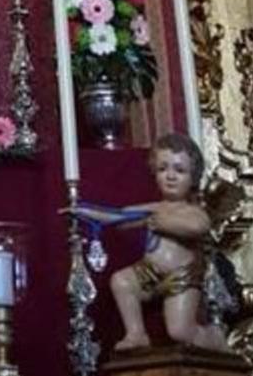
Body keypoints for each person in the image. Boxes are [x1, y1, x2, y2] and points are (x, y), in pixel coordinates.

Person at [75, 133, 226, 351]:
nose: (170, 176)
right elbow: (118, 217)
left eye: (179, 170)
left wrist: (160, 223)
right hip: (149, 273)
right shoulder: (152, 209)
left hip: (181, 277)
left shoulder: (192, 211)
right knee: (122, 281)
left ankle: (213, 337)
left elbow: (198, 227)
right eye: (163, 169)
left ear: (193, 177)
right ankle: (136, 333)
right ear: (154, 172)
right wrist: (84, 211)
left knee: (180, 332)